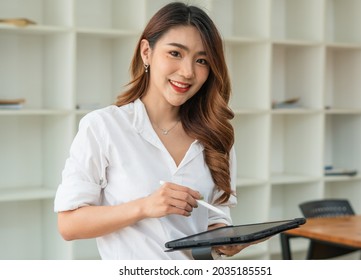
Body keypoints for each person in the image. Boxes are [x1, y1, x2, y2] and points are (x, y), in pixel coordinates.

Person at [54, 2, 251, 260]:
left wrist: (224, 236)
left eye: (201, 60)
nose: (188, 72)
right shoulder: (103, 126)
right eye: (175, 54)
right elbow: (69, 225)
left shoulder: (216, 135)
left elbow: (214, 214)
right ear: (146, 52)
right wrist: (145, 207)